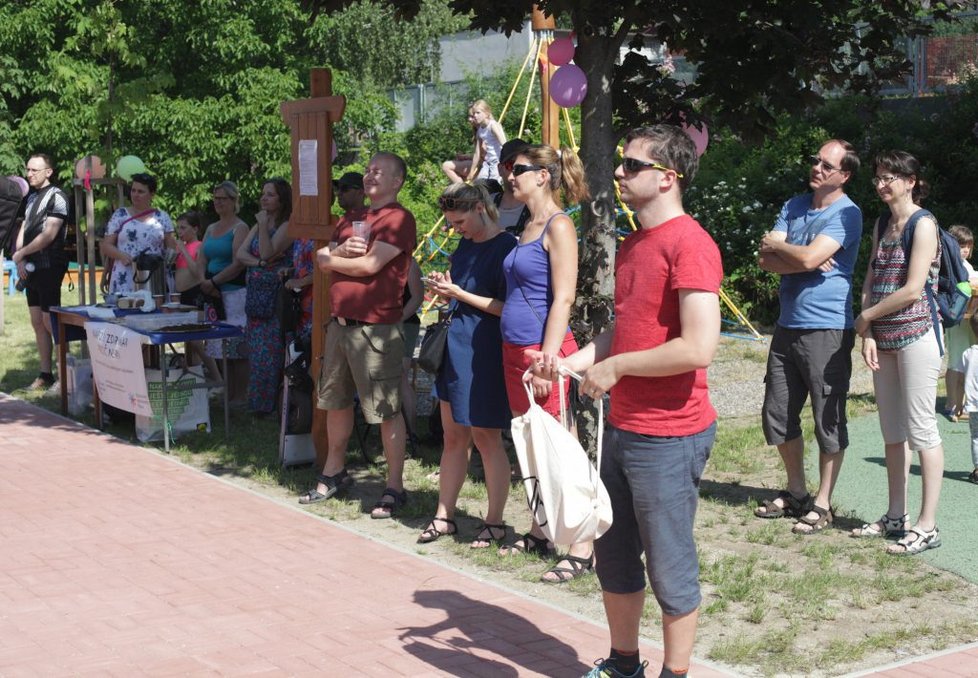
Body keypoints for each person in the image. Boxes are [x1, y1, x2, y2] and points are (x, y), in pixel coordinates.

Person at [532, 125, 722, 678]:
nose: (619, 172)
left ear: (669, 178)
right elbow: (627, 329)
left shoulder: (691, 243)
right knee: (613, 556)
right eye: (622, 163)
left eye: (633, 165)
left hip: (671, 433)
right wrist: (574, 363)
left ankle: (676, 673)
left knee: (668, 563)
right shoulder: (636, 243)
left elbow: (699, 346)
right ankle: (623, 664)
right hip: (624, 428)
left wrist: (616, 369)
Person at [496, 143, 595, 584]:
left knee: (563, 449)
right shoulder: (526, 223)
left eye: (517, 169)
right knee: (533, 446)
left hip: (543, 353)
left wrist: (549, 359)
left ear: (542, 175)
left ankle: (583, 545)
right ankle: (541, 530)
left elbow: (565, 297)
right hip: (516, 351)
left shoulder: (558, 225)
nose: (509, 176)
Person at [754, 140, 863, 534]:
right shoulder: (795, 204)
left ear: (843, 175)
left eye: (826, 164)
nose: (816, 167)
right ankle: (797, 491)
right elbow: (766, 259)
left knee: (827, 418)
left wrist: (787, 250)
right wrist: (796, 254)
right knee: (778, 413)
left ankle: (823, 502)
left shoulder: (848, 214)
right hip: (787, 325)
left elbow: (802, 258)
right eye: (815, 160)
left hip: (827, 328)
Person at [301, 152, 416, 519]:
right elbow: (320, 259)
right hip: (340, 325)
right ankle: (334, 472)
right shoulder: (351, 219)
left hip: (375, 329)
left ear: (397, 181)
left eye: (378, 171)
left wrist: (332, 259)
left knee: (385, 410)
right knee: (334, 402)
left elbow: (369, 266)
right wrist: (333, 254)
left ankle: (394, 486)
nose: (369, 176)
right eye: (367, 170)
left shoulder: (398, 218)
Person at [851, 150, 945, 555]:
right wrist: (868, 329)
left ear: (910, 181)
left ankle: (927, 525)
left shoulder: (924, 224)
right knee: (892, 432)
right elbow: (872, 273)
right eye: (878, 177)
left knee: (922, 430)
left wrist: (867, 314)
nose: (881, 183)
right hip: (884, 338)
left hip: (918, 335)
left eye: (890, 176)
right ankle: (896, 516)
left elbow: (912, 288)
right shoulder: (882, 224)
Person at [415, 182, 516, 548]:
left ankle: (494, 521)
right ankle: (444, 515)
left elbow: (508, 307)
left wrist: (460, 294)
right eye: (450, 222)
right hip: (454, 348)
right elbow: (463, 292)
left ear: (480, 209)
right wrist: (447, 289)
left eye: (459, 221)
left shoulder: (506, 247)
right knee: (453, 436)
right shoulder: (464, 245)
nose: (454, 228)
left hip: (484, 351)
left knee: (487, 438)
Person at [235, 178, 294, 415]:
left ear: (282, 199)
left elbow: (270, 250)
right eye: (263, 193)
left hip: (274, 298)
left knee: (271, 354)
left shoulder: (287, 224)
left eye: (270, 194)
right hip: (255, 298)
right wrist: (260, 263)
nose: (264, 198)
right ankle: (256, 403)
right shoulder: (260, 221)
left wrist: (261, 229)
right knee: (257, 353)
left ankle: (271, 405)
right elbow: (241, 254)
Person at [12, 154, 70, 390]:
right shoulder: (31, 197)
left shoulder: (58, 197)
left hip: (49, 264)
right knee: (37, 321)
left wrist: (23, 252)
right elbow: (24, 226)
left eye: (35, 170)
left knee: (50, 321)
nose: (29, 174)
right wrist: (19, 257)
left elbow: (49, 235)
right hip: (30, 266)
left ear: (49, 172)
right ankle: (46, 375)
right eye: (27, 169)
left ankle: (64, 375)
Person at [198, 181, 249, 405]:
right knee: (219, 345)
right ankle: (227, 393)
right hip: (212, 293)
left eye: (222, 198)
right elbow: (202, 257)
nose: (218, 202)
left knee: (237, 346)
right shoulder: (210, 228)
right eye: (215, 198)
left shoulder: (240, 227)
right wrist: (203, 280)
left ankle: (240, 396)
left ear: (233, 201)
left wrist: (215, 281)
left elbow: (238, 262)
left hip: (233, 292)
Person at [101, 173, 176, 296]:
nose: (135, 195)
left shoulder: (162, 217)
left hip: (154, 277)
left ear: (152, 194)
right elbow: (106, 246)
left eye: (141, 192)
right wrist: (121, 255)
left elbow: (171, 248)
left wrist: (166, 261)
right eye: (133, 190)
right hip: (125, 276)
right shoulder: (120, 215)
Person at [173, 210, 220, 382]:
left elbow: (196, 271)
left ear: (195, 229)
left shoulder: (199, 246)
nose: (180, 231)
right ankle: (197, 375)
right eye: (178, 228)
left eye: (184, 228)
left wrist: (184, 250)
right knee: (189, 339)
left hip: (195, 294)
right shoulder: (181, 248)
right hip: (183, 294)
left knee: (196, 340)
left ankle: (216, 376)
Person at [942, 225, 978, 422]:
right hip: (957, 320)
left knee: (965, 360)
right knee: (957, 362)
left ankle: (960, 403)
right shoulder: (950, 265)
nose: (964, 250)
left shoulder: (967, 265)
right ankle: (952, 405)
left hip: (968, 320)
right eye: (960, 245)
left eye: (968, 246)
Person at [442, 100, 506, 184]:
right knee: (479, 183)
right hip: (487, 163)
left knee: (492, 184)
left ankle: (464, 190)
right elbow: (477, 154)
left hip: (497, 161)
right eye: (473, 114)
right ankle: (465, 192)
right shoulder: (480, 130)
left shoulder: (492, 125)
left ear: (486, 113)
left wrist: (509, 160)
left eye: (477, 113)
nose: (474, 116)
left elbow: (504, 144)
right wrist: (471, 171)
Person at [400, 257, 424, 443]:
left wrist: (397, 319)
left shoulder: (410, 264)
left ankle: (411, 433)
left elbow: (417, 298)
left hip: (404, 325)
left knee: (400, 378)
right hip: (382, 326)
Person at [494, 138, 532, 237]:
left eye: (522, 168)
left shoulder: (537, 209)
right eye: (510, 166)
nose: (515, 174)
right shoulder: (485, 204)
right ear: (500, 169)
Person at [960, 312, 978, 484]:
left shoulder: (967, 354)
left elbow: (960, 381)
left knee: (976, 437)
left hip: (974, 406)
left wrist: (958, 402)